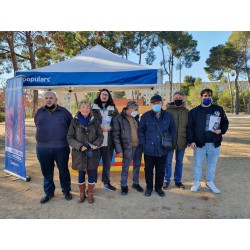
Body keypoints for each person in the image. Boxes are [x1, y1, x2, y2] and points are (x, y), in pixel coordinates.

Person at [187, 88, 229, 194]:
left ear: (211, 97)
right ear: (201, 97)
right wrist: (191, 140)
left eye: (209, 96)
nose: (207, 97)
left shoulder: (218, 109)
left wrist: (221, 130)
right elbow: (190, 128)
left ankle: (210, 182)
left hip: (214, 143)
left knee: (212, 165)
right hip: (199, 144)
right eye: (205, 96)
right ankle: (197, 182)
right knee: (198, 164)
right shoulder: (194, 111)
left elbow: (225, 122)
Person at [34, 91, 73, 204]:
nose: (49, 100)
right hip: (43, 148)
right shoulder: (39, 112)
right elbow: (37, 124)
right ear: (44, 100)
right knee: (47, 172)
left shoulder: (64, 112)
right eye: (46, 98)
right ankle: (49, 192)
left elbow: (72, 127)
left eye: (51, 98)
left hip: (61, 148)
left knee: (63, 170)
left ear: (56, 100)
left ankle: (66, 190)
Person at [138, 95, 176, 197]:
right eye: (154, 103)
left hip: (163, 149)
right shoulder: (145, 116)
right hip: (149, 149)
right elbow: (140, 131)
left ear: (162, 103)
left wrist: (170, 143)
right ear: (151, 104)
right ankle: (149, 188)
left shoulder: (168, 116)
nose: (156, 105)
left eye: (158, 103)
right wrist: (144, 143)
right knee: (148, 170)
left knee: (160, 171)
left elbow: (173, 130)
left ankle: (158, 188)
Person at [67, 101, 103, 203]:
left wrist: (96, 144)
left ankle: (90, 193)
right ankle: (82, 193)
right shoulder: (74, 122)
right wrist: (79, 146)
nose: (85, 109)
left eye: (87, 107)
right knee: (81, 174)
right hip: (79, 153)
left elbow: (101, 136)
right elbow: (70, 137)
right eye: (83, 107)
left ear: (90, 109)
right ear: (79, 109)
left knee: (92, 173)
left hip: (93, 153)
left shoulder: (95, 121)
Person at [112, 101, 144, 195]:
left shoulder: (135, 118)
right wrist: (119, 151)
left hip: (138, 146)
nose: (136, 111)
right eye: (135, 109)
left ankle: (135, 183)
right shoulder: (118, 118)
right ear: (129, 108)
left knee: (137, 166)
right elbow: (116, 136)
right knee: (125, 167)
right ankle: (124, 185)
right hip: (127, 147)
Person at [92, 89, 119, 191]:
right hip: (96, 141)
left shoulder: (113, 109)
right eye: (103, 94)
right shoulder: (93, 108)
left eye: (106, 95)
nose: (104, 96)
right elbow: (89, 121)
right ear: (99, 95)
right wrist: (99, 127)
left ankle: (106, 183)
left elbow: (117, 122)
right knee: (94, 163)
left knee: (107, 163)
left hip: (109, 141)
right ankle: (92, 183)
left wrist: (110, 127)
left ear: (109, 97)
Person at [163, 91, 189, 190]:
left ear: (183, 99)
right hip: (169, 141)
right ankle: (166, 180)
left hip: (182, 140)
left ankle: (178, 181)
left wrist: (189, 139)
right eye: (176, 98)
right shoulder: (167, 111)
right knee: (168, 162)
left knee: (179, 162)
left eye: (180, 98)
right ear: (173, 99)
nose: (178, 99)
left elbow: (189, 126)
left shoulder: (186, 112)